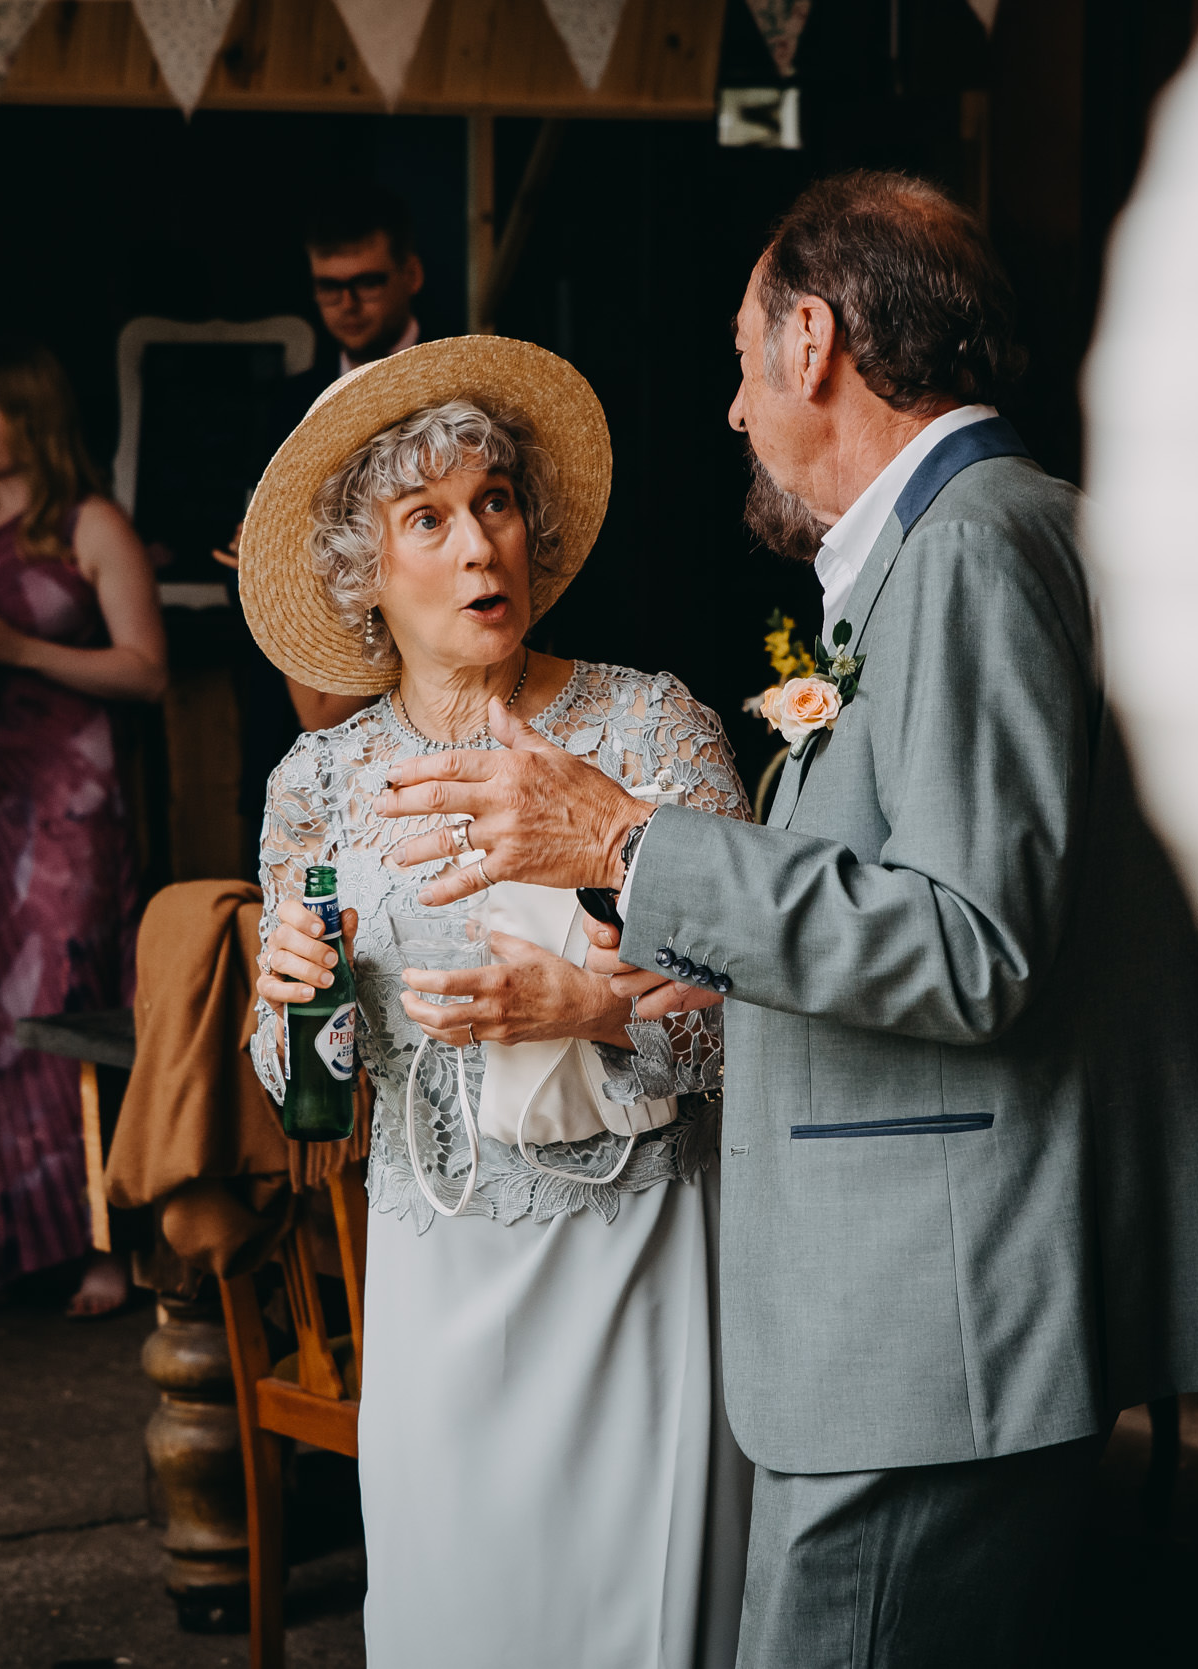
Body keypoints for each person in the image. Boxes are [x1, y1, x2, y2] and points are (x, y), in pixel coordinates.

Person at [377, 173, 1198, 1667]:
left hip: (928, 1317)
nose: (733, 407)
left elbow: (970, 945)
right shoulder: (1003, 529)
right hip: (942, 1306)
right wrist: (704, 953)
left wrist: (625, 840)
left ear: (812, 343)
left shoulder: (973, 549)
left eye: (742, 360)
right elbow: (933, 894)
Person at [239, 336, 757, 1666]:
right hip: (435, 1272)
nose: (480, 545)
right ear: (364, 572)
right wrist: (289, 1010)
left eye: (496, 503)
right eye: (428, 519)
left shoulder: (653, 732)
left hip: (635, 1257)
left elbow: (763, 1016)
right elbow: (303, 1082)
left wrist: (587, 1007)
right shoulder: (316, 784)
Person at [0, 337, 167, 1317]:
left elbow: (146, 669)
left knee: (64, 1000)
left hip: (63, 801)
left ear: (30, 412)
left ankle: (101, 1245)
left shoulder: (89, 523)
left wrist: (20, 648)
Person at [218, 183, 432, 873]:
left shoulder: (453, 381)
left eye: (367, 282)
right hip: (296, 706)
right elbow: (246, 561)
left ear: (411, 274)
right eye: (328, 286)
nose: (347, 302)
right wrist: (257, 560)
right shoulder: (282, 403)